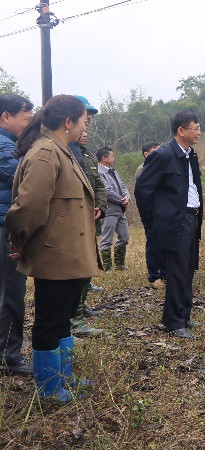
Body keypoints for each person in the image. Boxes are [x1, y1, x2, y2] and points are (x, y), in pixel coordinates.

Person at [5, 95, 99, 402]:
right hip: (54, 252)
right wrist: (20, 239)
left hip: (68, 252)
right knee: (49, 320)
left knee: (62, 318)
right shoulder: (46, 153)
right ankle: (49, 390)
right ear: (68, 122)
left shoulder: (62, 149)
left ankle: (64, 378)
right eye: (83, 120)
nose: (86, 125)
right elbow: (29, 207)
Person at [134, 111, 203, 339]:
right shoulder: (163, 155)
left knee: (188, 269)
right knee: (176, 272)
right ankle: (173, 322)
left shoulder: (190, 155)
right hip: (174, 221)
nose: (199, 132)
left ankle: (184, 315)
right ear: (181, 130)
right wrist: (153, 223)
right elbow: (143, 189)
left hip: (192, 218)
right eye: (195, 128)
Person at [0, 93, 33, 377]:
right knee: (11, 292)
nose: (29, 121)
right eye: (26, 116)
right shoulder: (4, 146)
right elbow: (24, 179)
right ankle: (9, 357)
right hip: (4, 226)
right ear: (6, 116)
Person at [69, 129, 106, 338]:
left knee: (87, 267)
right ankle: (73, 319)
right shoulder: (63, 151)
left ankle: (80, 310)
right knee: (77, 270)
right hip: (73, 220)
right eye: (81, 128)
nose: (85, 133)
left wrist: (100, 206)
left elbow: (98, 184)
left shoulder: (88, 155)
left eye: (87, 129)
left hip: (90, 217)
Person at [135, 142, 166, 288]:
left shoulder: (162, 166)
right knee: (153, 244)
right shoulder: (142, 169)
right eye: (156, 151)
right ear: (146, 154)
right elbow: (143, 194)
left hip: (164, 211)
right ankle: (154, 276)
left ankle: (165, 274)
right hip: (151, 213)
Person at [97, 147, 130, 272]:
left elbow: (123, 185)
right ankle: (107, 267)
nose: (114, 158)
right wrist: (122, 200)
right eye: (112, 156)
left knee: (124, 237)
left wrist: (127, 197)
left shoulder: (112, 171)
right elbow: (106, 191)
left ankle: (119, 264)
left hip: (120, 210)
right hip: (109, 211)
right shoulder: (99, 173)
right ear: (104, 158)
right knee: (107, 239)